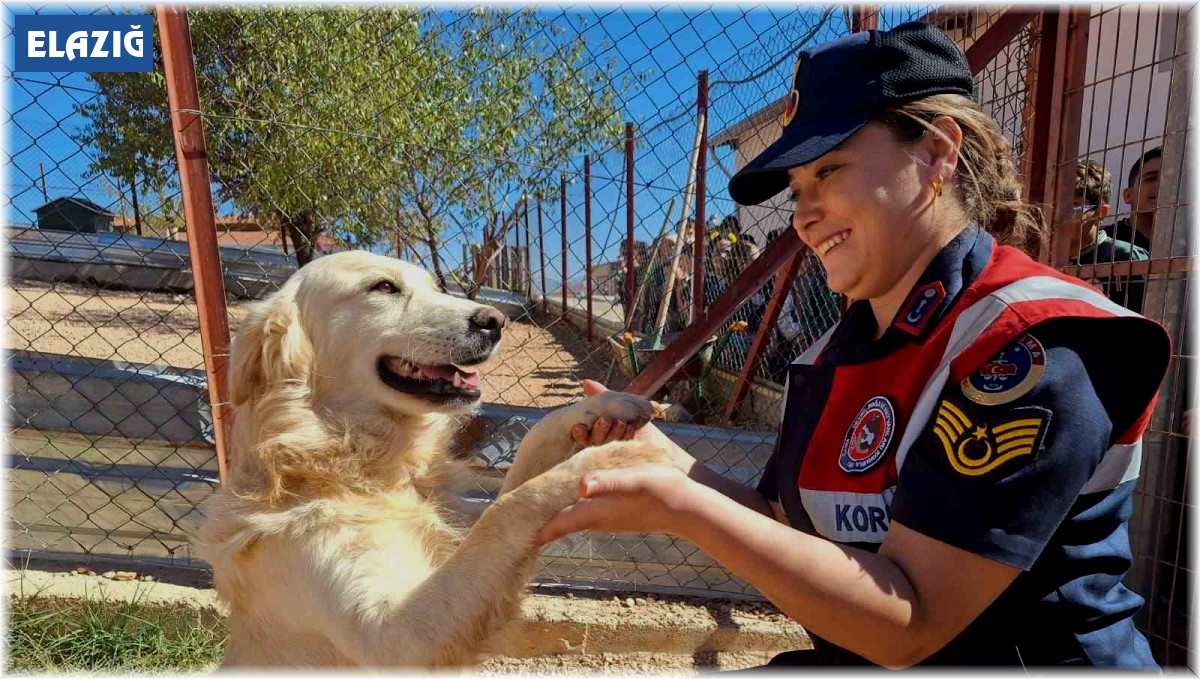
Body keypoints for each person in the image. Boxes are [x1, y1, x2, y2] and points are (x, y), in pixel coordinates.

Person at [532, 22, 1171, 668]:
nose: (804, 215)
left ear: (938, 153)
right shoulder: (830, 355)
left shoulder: (1030, 340)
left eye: (830, 170)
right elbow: (784, 524)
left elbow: (911, 623)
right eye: (797, 190)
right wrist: (671, 464)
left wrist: (680, 506)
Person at [1066, 159, 1149, 312]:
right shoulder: (1042, 256)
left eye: (1072, 207)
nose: (1059, 216)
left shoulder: (1126, 256)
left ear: (1100, 213)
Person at [1106, 146, 1161, 253]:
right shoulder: (1104, 242)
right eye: (1150, 178)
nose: (1162, 185)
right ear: (1128, 195)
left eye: (1173, 179)